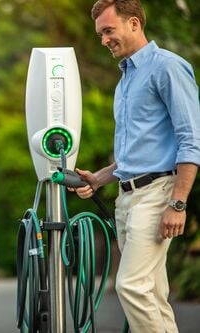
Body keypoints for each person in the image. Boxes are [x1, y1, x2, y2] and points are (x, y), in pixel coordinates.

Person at [73, 1, 200, 332]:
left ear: (133, 23)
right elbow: (136, 153)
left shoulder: (167, 68)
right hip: (126, 200)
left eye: (108, 31)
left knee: (130, 285)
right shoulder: (126, 80)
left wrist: (178, 203)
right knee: (154, 295)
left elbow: (190, 140)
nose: (104, 40)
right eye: (100, 34)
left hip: (158, 195)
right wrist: (100, 178)